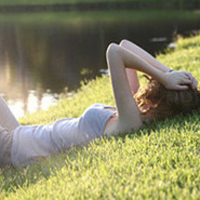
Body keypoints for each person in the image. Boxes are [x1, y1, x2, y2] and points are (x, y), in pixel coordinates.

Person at [0, 40, 199, 168]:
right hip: (20, 134)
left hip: (13, 150)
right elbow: (124, 46)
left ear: (155, 104)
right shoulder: (133, 109)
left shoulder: (130, 122)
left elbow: (114, 53)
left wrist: (163, 77)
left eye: (156, 86)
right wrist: (170, 72)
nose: (150, 85)